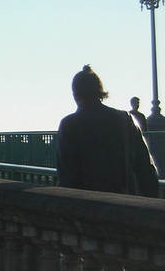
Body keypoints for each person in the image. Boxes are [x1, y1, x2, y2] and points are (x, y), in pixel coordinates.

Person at [56, 65, 159, 197]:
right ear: (100, 91)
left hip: (87, 207)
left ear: (75, 93)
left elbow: (68, 177)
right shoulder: (125, 119)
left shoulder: (69, 125)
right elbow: (145, 168)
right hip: (126, 204)